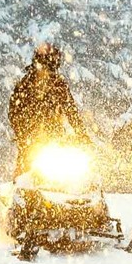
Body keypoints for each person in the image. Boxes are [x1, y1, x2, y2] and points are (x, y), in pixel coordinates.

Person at [9, 42, 89, 176]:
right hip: (32, 141)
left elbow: (71, 111)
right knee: (25, 172)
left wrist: (82, 136)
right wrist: (22, 133)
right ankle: (20, 190)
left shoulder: (59, 84)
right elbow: (14, 112)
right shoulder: (26, 84)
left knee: (73, 176)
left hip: (54, 139)